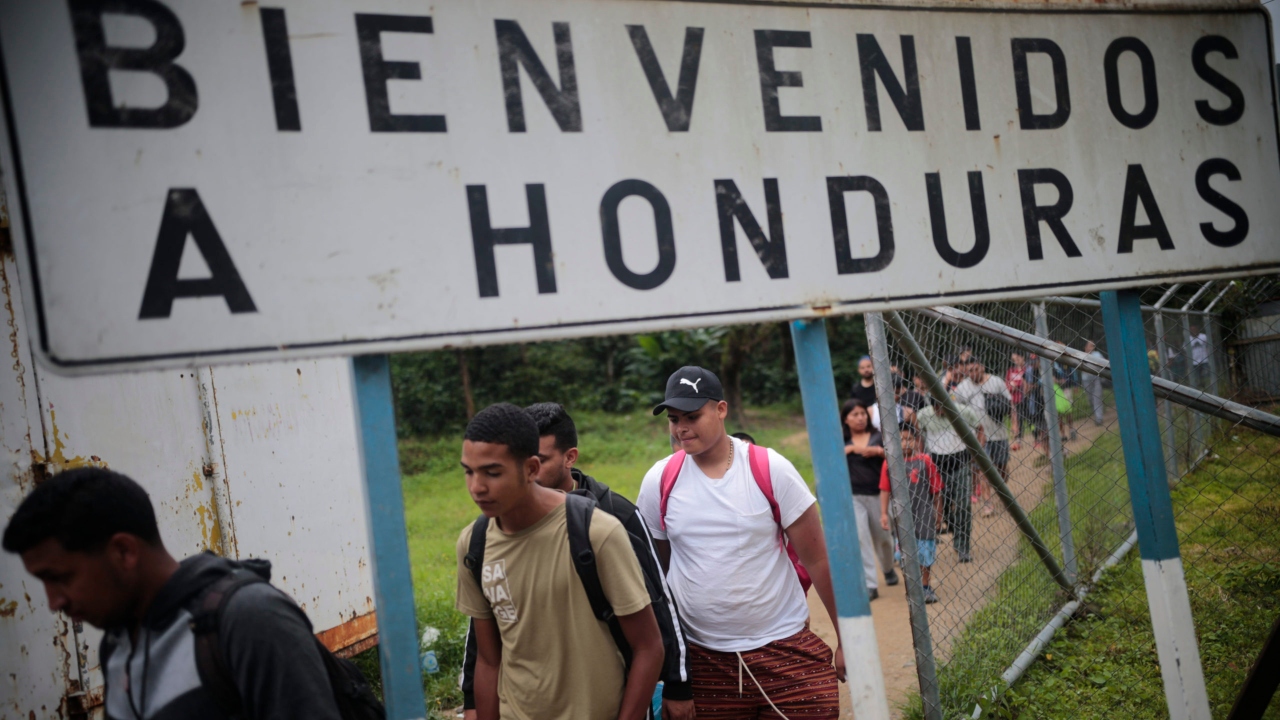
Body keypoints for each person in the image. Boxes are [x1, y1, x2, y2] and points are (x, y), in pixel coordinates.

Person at [2, 468, 347, 719]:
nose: (54, 602)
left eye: (59, 577)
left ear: (124, 551)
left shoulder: (248, 619)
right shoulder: (117, 646)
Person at [460, 402, 693, 719]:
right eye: (469, 472)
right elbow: (487, 654)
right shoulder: (475, 542)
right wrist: (473, 703)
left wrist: (678, 686)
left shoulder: (604, 525)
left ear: (531, 467)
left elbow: (653, 627)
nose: (477, 487)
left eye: (493, 472)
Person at [637, 367, 844, 719]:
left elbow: (818, 560)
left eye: (692, 416)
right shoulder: (660, 480)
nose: (681, 428)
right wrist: (672, 672)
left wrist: (846, 638)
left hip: (785, 647)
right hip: (703, 660)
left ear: (721, 410)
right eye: (673, 419)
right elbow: (656, 575)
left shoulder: (769, 468)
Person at [879, 426, 943, 604]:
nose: (906, 442)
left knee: (925, 551)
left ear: (917, 441)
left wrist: (938, 514)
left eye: (910, 438)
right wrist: (883, 514)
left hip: (924, 513)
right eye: (901, 439)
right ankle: (913, 588)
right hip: (901, 518)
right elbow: (885, 489)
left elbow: (936, 490)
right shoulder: (890, 462)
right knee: (905, 554)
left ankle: (925, 586)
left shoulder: (925, 461)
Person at [842, 400, 897, 600]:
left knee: (883, 539)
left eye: (863, 413)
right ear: (846, 419)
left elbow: (896, 457)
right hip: (854, 497)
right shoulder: (841, 441)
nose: (860, 418)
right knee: (861, 538)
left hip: (878, 496)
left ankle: (888, 568)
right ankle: (870, 584)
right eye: (855, 414)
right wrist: (847, 450)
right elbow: (830, 463)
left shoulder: (878, 437)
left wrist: (878, 452)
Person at [915, 397, 981, 563]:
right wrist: (920, 460)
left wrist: (976, 453)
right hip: (936, 466)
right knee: (941, 507)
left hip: (960, 463)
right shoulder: (923, 415)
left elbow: (980, 428)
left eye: (943, 406)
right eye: (936, 407)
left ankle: (962, 547)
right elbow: (919, 437)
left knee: (963, 505)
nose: (940, 411)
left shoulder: (962, 412)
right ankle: (953, 526)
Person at [972, 360, 1012, 518]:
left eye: (975, 369)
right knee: (983, 469)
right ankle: (988, 503)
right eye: (969, 371)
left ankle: (1001, 489)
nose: (973, 373)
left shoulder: (996, 381)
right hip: (977, 438)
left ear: (982, 366)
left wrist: (1015, 425)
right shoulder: (963, 388)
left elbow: (1009, 403)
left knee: (1002, 468)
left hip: (998, 433)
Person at [1082, 340, 1106, 426]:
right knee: (1090, 399)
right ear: (1086, 347)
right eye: (1090, 346)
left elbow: (1104, 364)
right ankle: (1096, 414)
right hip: (1086, 380)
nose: (1091, 348)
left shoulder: (1097, 354)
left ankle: (1099, 418)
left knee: (1097, 398)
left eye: (1092, 346)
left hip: (1096, 378)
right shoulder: (1082, 355)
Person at [1005, 353, 1027, 441]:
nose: (1016, 361)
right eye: (1014, 360)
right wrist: (1010, 386)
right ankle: (1017, 435)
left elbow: (1025, 382)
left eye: (1018, 358)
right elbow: (1006, 382)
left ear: (1022, 357)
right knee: (1014, 417)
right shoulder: (1011, 370)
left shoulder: (1025, 370)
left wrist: (1016, 385)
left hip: (1022, 397)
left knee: (1020, 416)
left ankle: (1020, 435)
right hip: (1012, 397)